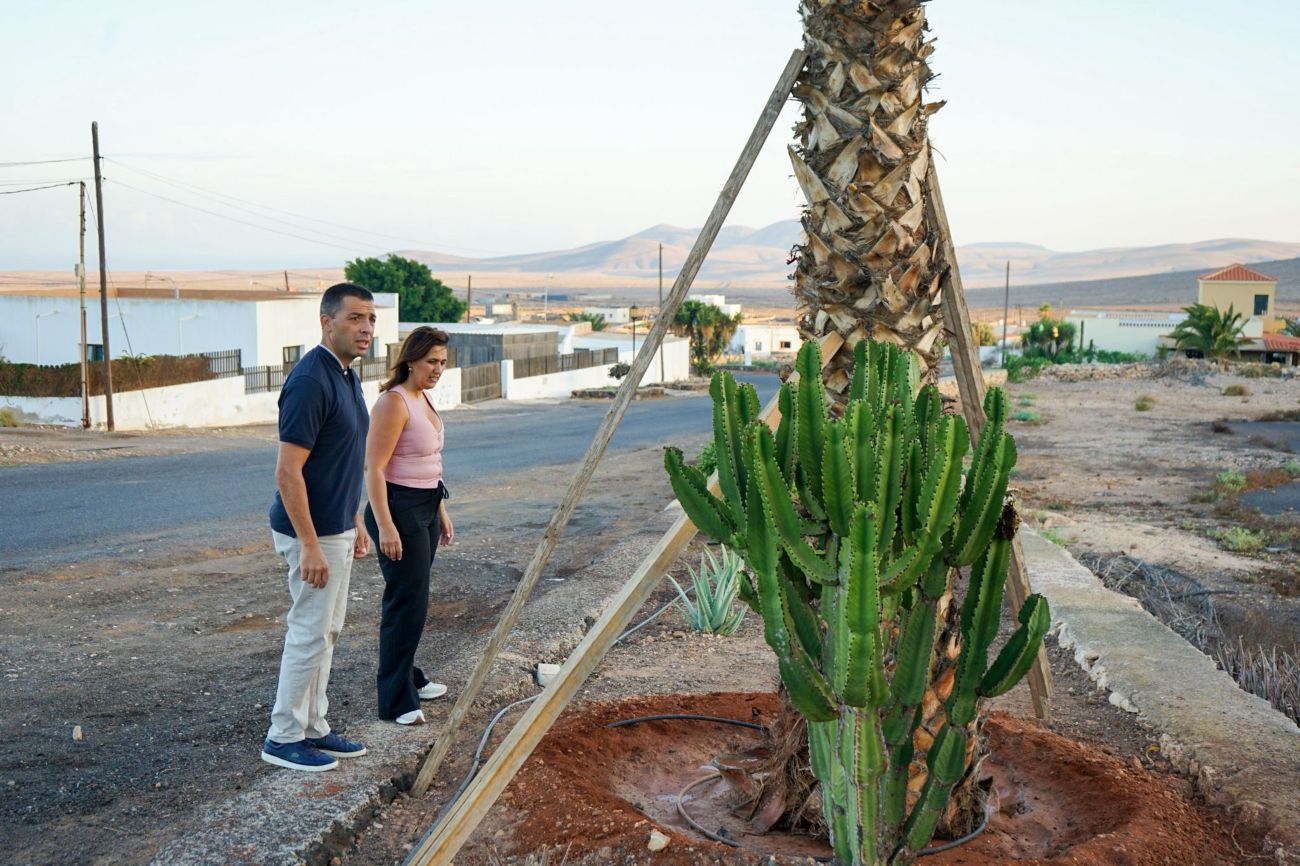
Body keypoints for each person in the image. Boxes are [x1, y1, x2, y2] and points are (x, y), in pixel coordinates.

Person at [260, 283, 375, 772]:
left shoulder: (347, 375)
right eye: (354, 318)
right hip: (310, 533)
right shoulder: (312, 378)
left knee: (327, 630)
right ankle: (283, 736)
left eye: (370, 319)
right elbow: (288, 471)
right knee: (309, 632)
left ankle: (314, 726)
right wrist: (309, 544)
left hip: (336, 527)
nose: (365, 328)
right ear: (326, 322)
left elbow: (339, 459)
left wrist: (355, 519)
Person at [363, 326, 455, 725]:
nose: (438, 369)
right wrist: (384, 525)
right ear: (411, 359)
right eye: (432, 361)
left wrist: (441, 509)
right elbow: (374, 468)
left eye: (443, 363)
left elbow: (429, 461)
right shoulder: (393, 402)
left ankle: (410, 678)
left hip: (425, 506)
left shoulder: (423, 398)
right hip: (397, 509)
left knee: (414, 603)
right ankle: (396, 702)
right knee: (406, 606)